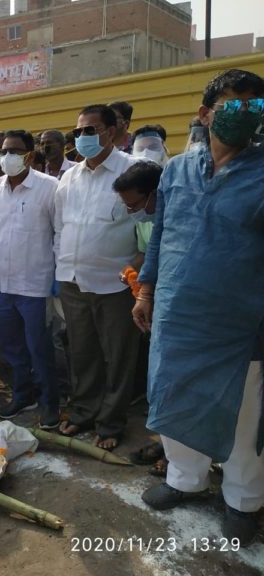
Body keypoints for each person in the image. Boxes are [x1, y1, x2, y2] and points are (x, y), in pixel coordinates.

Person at [133, 69, 264, 545]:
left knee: (243, 414)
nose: (246, 115)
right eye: (234, 105)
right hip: (176, 314)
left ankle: (243, 499)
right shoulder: (176, 170)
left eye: (256, 107)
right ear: (206, 113)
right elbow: (161, 235)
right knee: (174, 397)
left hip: (240, 324)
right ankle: (184, 479)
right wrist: (146, 291)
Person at [54, 104, 139, 450]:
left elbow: (147, 227)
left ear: (111, 131)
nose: (83, 137)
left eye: (91, 130)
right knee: (83, 352)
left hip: (115, 283)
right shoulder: (69, 177)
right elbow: (61, 226)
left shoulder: (133, 172)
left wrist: (137, 274)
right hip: (73, 279)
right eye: (78, 132)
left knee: (118, 355)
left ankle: (111, 422)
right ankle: (84, 411)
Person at [0, 130, 60, 427]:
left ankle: (50, 401)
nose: (7, 157)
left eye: (15, 151)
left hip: (36, 283)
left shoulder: (50, 187)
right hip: (3, 283)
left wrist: (58, 274)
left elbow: (60, 232)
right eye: (4, 151)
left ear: (30, 154)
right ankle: (23, 393)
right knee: (12, 346)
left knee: (39, 345)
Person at [112, 161, 165, 475]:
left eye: (134, 204)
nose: (132, 212)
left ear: (154, 194)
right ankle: (167, 442)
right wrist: (135, 278)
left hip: (179, 305)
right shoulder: (151, 218)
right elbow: (149, 251)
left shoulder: (182, 217)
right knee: (158, 377)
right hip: (154, 302)